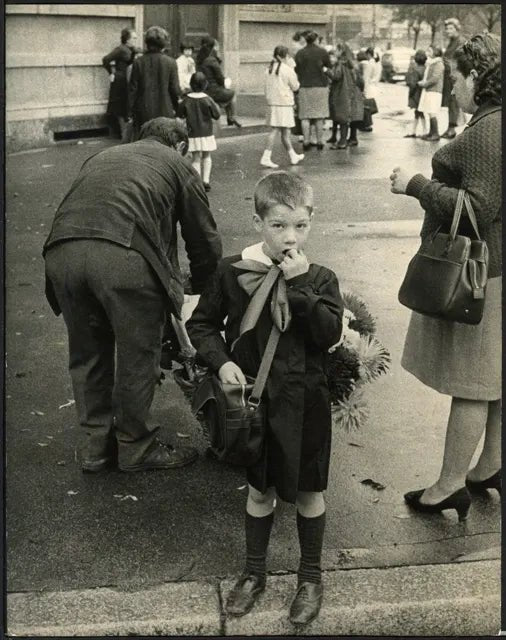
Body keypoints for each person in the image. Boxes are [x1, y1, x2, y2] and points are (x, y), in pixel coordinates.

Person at [187, 171, 343, 625]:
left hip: (307, 401)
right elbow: (201, 325)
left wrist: (299, 288)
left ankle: (309, 577)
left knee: (311, 493)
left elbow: (329, 334)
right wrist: (220, 362)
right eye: (278, 226)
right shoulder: (232, 271)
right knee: (260, 491)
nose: (289, 237)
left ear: (311, 221)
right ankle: (254, 574)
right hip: (254, 402)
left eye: (299, 226)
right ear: (258, 222)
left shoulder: (321, 277)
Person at [43, 118, 222, 474]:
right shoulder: (177, 164)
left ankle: (96, 448)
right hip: (121, 257)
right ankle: (136, 446)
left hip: (60, 254)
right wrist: (207, 296)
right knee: (137, 354)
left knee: (87, 353)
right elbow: (203, 241)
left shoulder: (102, 157)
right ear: (181, 146)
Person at [389, 33, 501, 519]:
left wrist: (415, 185)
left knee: (473, 382)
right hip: (502, 269)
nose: (452, 86)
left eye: (456, 76)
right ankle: (490, 466)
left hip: (485, 274)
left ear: (476, 76)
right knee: (496, 378)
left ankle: (450, 484)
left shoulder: (485, 131)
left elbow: (477, 208)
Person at [128, 26, 182, 138]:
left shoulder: (138, 62)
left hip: (143, 112)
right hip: (165, 112)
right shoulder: (170, 62)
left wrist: (129, 113)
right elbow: (175, 90)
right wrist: (178, 111)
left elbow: (132, 90)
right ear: (163, 44)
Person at [260, 46, 304, 168]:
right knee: (278, 131)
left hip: (273, 102)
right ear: (283, 56)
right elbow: (295, 86)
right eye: (287, 56)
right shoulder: (288, 70)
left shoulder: (268, 69)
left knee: (284, 131)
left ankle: (292, 155)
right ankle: (266, 157)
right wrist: (293, 68)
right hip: (284, 103)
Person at [177, 71, 220, 192]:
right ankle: (206, 181)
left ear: (191, 84)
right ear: (205, 85)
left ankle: (197, 183)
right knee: (207, 155)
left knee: (195, 158)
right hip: (206, 133)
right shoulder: (208, 99)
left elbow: (179, 115)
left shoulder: (186, 100)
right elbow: (216, 115)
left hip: (192, 133)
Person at [294, 31, 331, 151]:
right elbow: (328, 66)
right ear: (315, 40)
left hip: (304, 86)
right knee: (319, 116)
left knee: (305, 116)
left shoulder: (300, 53)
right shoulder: (322, 52)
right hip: (320, 86)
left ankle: (306, 141)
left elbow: (297, 69)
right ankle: (320, 141)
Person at [102, 27, 139, 142]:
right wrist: (111, 73)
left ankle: (127, 134)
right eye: (133, 37)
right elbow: (106, 59)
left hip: (129, 79)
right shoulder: (120, 49)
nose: (135, 39)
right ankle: (123, 133)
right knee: (120, 106)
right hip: (120, 80)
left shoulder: (132, 49)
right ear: (127, 39)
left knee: (127, 104)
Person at [196, 36, 242, 128]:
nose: (218, 49)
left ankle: (230, 117)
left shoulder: (199, 59)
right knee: (232, 93)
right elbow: (220, 79)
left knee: (226, 93)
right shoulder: (212, 60)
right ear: (212, 48)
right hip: (213, 91)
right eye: (216, 47)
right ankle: (232, 117)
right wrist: (226, 82)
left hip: (203, 90)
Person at [326, 44, 364, 149]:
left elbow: (336, 76)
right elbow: (361, 81)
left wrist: (326, 71)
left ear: (340, 51)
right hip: (354, 92)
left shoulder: (341, 64)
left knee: (342, 117)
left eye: (336, 50)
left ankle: (342, 142)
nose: (335, 52)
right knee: (349, 116)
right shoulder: (353, 64)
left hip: (343, 93)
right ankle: (351, 139)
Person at [441, 18, 466, 139]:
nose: (447, 31)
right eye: (446, 28)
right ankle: (450, 127)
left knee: (454, 103)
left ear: (457, 29)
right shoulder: (452, 41)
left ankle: (452, 128)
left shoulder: (460, 41)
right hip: (449, 77)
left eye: (450, 28)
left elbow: (461, 59)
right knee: (451, 103)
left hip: (455, 77)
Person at [417, 45, 445, 141]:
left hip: (434, 91)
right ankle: (431, 133)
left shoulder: (438, 63)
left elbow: (435, 78)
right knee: (429, 111)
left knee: (432, 112)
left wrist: (425, 84)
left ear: (435, 52)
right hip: (430, 90)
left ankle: (435, 134)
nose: (427, 52)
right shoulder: (431, 63)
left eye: (429, 50)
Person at [404, 50, 428, 138]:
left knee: (418, 112)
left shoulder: (415, 69)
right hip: (423, 92)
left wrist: (410, 94)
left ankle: (422, 131)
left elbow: (413, 84)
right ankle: (415, 130)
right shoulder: (426, 68)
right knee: (419, 112)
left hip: (416, 94)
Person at [359, 47, 379, 132]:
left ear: (368, 54)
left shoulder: (369, 65)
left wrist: (364, 89)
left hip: (369, 86)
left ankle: (366, 125)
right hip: (373, 86)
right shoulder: (376, 63)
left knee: (366, 107)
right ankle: (368, 124)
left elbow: (366, 78)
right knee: (369, 106)